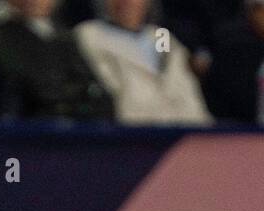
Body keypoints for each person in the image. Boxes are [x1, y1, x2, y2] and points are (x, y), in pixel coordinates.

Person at [74, 0, 213, 124]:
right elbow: (113, 102)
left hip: (180, 133)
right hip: (133, 135)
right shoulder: (90, 35)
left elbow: (184, 88)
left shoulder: (160, 36)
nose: (126, 2)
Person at [0, 0, 116, 120]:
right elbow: (26, 88)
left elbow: (92, 86)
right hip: (34, 129)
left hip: (78, 128)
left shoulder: (64, 35)